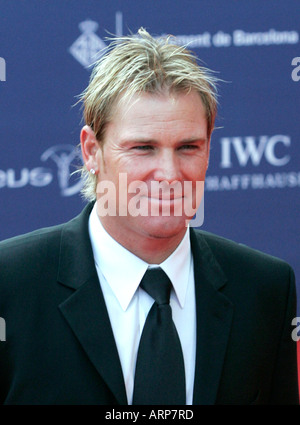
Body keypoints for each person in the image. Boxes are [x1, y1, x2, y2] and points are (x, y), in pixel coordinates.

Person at [0, 28, 298, 405]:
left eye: (188, 147)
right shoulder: (9, 286)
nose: (170, 174)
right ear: (92, 151)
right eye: (143, 148)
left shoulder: (264, 291)